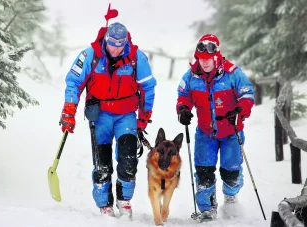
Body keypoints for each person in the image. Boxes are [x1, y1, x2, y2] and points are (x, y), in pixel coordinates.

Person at [59, 22, 157, 219]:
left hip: (126, 115)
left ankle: (124, 200)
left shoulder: (137, 58)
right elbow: (73, 82)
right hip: (100, 115)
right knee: (102, 162)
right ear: (106, 40)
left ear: (126, 42)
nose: (115, 48)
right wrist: (69, 110)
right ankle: (105, 204)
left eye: (120, 44)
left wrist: (144, 117)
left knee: (128, 159)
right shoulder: (90, 56)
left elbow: (148, 88)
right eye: (112, 43)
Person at [176, 34, 255, 221]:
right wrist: (183, 109)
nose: (204, 63)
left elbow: (247, 94)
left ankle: (231, 196)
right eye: (201, 59)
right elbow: (183, 95)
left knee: (231, 171)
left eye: (207, 59)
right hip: (205, 132)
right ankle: (207, 208)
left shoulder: (232, 73)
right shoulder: (191, 75)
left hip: (231, 131)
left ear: (216, 55)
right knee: (204, 171)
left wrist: (240, 110)